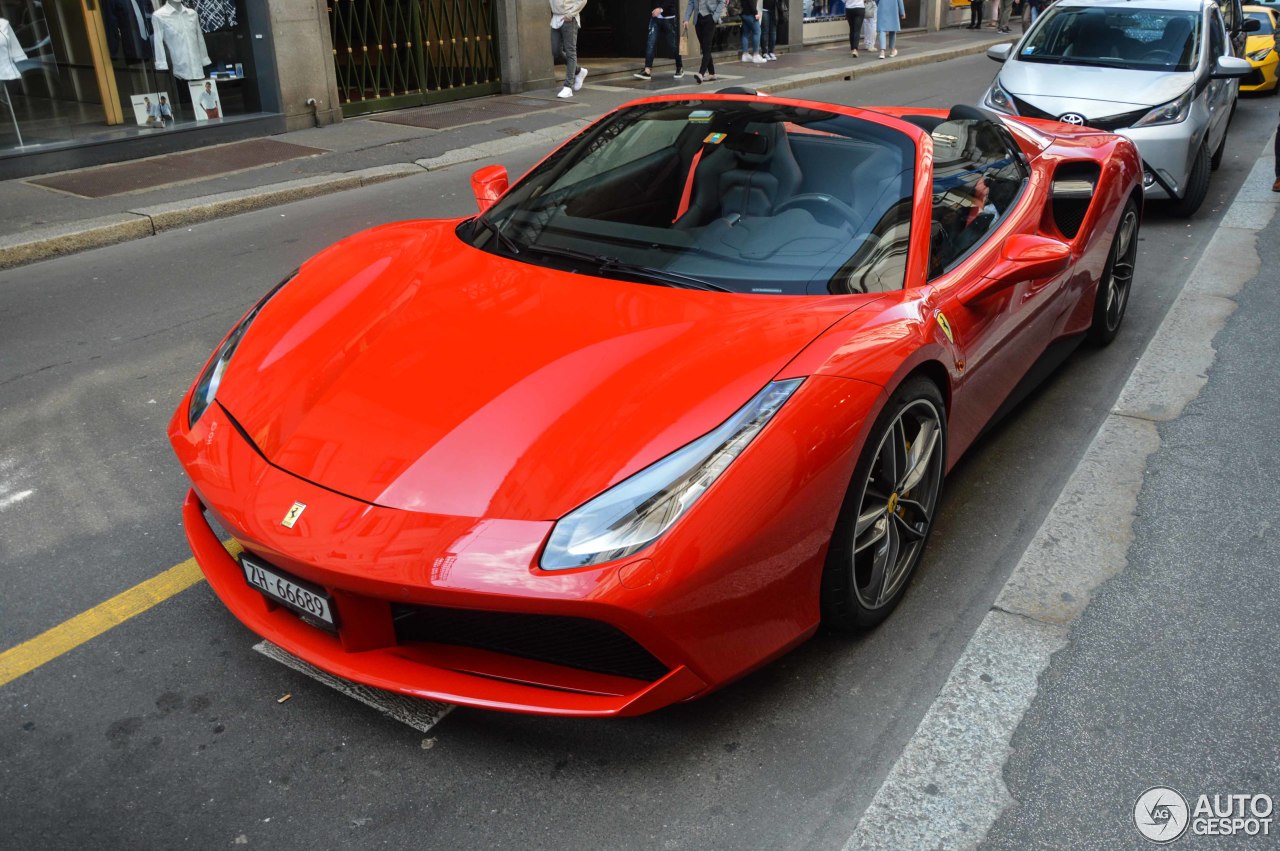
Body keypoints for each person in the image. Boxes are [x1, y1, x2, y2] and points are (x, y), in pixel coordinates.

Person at [634, 0, 684, 79]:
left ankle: (679, 67)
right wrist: (656, 8)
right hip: (655, 18)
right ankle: (647, 70)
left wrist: (660, 9)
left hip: (669, 18)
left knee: (673, 45)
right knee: (651, 43)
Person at [550, 0, 589, 99]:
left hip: (569, 19)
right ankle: (579, 71)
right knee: (556, 52)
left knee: (570, 52)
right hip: (555, 18)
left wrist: (571, 14)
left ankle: (568, 87)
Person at [686, 0, 727, 83]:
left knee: (707, 47)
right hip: (698, 19)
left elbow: (722, 2)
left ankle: (701, 73)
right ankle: (712, 73)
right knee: (705, 48)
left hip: (709, 18)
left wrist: (715, 17)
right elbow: (691, 3)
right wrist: (686, 19)